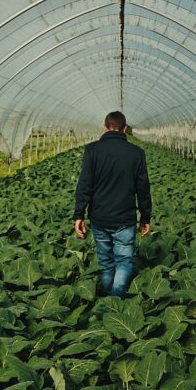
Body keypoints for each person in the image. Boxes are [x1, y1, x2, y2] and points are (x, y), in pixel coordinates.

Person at [73, 111, 152, 298]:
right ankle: (116, 299)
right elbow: (143, 189)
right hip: (125, 218)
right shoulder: (136, 153)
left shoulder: (92, 150)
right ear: (125, 129)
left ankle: (104, 300)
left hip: (100, 217)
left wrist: (79, 215)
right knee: (124, 261)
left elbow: (84, 184)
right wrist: (145, 217)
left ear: (105, 127)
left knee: (106, 262)